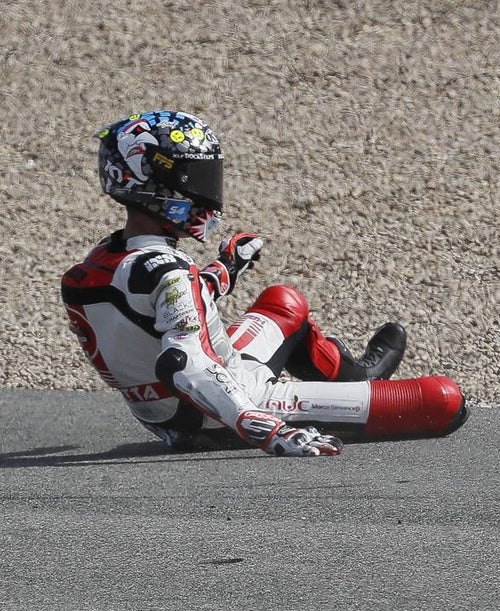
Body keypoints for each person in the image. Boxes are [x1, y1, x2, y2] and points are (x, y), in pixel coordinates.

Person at [62, 110, 467, 456]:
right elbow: (185, 363)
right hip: (230, 409)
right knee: (447, 400)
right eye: (196, 177)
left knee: (283, 300)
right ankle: (349, 393)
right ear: (157, 185)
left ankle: (359, 378)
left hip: (180, 411)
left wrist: (228, 266)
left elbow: (161, 308)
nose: (208, 193)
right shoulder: (168, 272)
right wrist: (270, 431)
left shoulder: (104, 263)